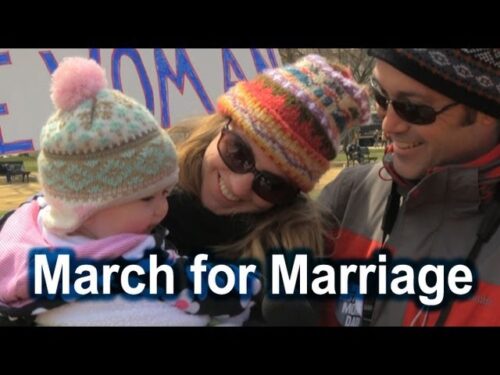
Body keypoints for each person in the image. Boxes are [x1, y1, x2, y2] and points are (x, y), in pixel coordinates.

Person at [0, 57, 260, 326]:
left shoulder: (26, 228)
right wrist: (252, 287)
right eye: (147, 197)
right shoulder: (130, 261)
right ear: (86, 207)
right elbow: (207, 289)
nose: (163, 208)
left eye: (166, 193)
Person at [162, 54, 371, 324]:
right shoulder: (130, 199)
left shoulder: (291, 263)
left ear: (291, 197)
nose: (238, 188)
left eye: (271, 185)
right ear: (221, 126)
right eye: (237, 153)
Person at [318, 48, 500, 326]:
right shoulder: (350, 195)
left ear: (485, 109)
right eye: (381, 97)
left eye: (413, 109)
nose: (388, 124)